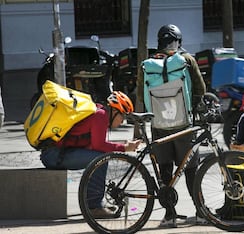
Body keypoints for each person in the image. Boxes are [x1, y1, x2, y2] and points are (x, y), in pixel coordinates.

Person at [40, 91, 140, 218]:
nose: (122, 122)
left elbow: (96, 144)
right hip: (54, 155)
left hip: (55, 153)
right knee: (100, 160)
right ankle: (93, 207)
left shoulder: (100, 113)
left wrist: (123, 145)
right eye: (123, 117)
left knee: (99, 157)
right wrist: (125, 148)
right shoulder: (100, 116)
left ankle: (95, 204)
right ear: (115, 112)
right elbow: (100, 146)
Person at [144, 24, 206, 227]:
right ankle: (201, 212)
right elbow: (200, 89)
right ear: (179, 41)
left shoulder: (148, 64)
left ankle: (169, 215)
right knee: (190, 170)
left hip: (158, 125)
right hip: (183, 125)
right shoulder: (186, 60)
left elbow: (140, 94)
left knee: (165, 171)